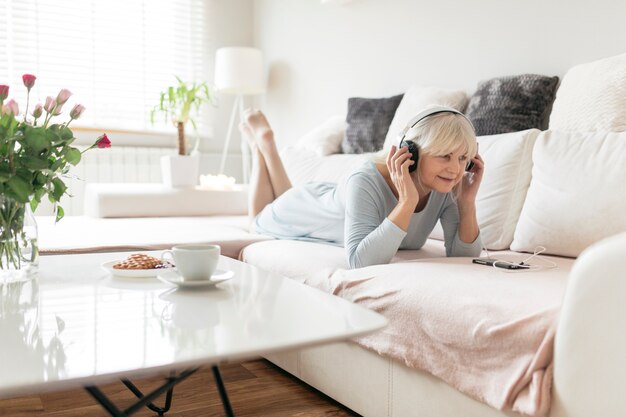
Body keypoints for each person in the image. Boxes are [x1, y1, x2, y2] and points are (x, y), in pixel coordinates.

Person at [241, 105, 484, 269]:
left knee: (284, 194)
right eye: (444, 156)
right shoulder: (365, 180)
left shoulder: (445, 187)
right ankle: (261, 147)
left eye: (463, 158)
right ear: (411, 153)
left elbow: (464, 256)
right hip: (303, 209)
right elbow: (360, 261)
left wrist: (467, 203)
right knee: (256, 220)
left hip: (325, 198)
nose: (455, 170)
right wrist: (407, 203)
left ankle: (265, 148)